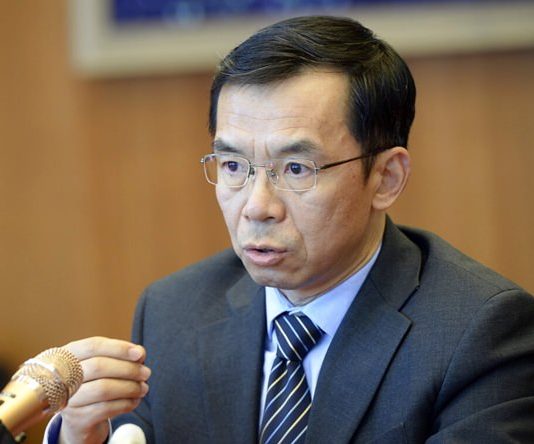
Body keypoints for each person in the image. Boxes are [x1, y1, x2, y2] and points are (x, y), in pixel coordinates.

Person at [46, 15, 534, 444]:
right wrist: (80, 437)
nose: (257, 207)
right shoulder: (175, 312)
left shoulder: (479, 334)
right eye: (233, 165)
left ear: (386, 178)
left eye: (297, 169)